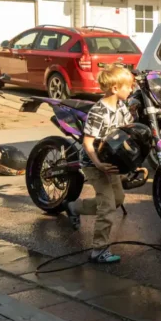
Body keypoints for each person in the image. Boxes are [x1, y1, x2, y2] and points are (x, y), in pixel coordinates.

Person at [64, 64, 135, 263]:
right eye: (128, 86)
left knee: (118, 199)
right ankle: (99, 250)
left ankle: (74, 207)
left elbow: (127, 130)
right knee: (108, 207)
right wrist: (99, 165)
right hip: (94, 163)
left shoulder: (122, 106)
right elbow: (87, 143)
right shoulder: (98, 112)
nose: (131, 89)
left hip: (109, 162)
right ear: (114, 88)